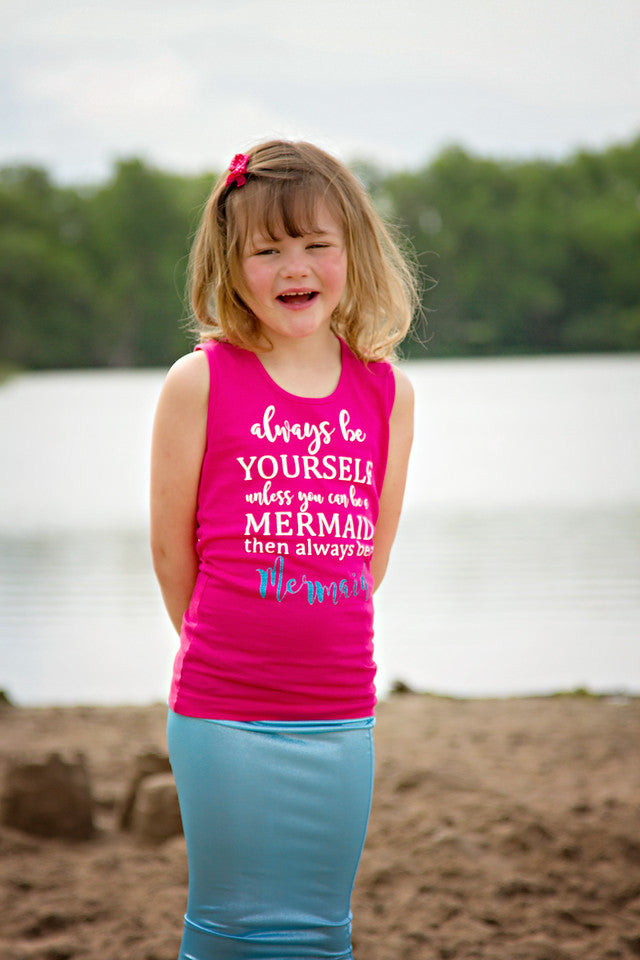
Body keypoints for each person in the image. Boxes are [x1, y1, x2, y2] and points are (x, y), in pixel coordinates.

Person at [150, 139, 416, 960]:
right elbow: (172, 554)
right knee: (229, 926)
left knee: (321, 929)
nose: (293, 267)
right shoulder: (199, 381)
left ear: (353, 251)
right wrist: (232, 652)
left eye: (314, 244)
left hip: (339, 710)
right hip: (225, 709)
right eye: (266, 250)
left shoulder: (387, 390)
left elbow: (368, 558)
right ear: (232, 266)